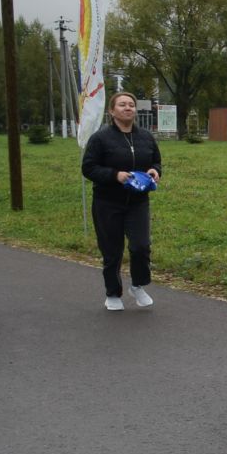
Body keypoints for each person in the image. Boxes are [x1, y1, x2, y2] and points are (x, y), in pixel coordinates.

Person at [81, 90, 163, 310]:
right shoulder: (101, 138)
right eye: (122, 105)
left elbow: (156, 161)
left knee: (140, 246)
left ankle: (138, 285)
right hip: (108, 202)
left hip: (138, 202)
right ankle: (113, 293)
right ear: (112, 111)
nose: (128, 108)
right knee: (112, 250)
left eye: (131, 105)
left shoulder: (146, 136)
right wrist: (114, 175)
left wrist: (155, 171)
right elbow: (88, 168)